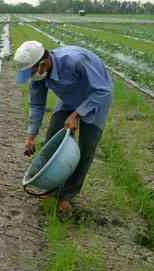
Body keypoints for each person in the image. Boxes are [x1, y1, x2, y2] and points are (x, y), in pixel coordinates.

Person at [13, 41, 113, 213]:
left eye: (31, 72)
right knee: (53, 139)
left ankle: (66, 196)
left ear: (43, 63)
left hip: (94, 98)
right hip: (68, 99)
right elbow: (37, 105)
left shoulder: (75, 61)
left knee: (85, 150)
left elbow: (104, 91)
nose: (31, 77)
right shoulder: (39, 75)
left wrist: (77, 114)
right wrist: (30, 137)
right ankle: (53, 188)